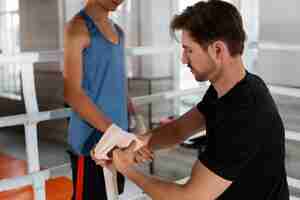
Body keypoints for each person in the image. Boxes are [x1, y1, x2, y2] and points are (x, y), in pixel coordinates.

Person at [108, 1, 290, 199]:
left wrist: (127, 169)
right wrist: (137, 143)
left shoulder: (245, 113)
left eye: (189, 50)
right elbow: (178, 129)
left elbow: (190, 198)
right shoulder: (230, 89)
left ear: (218, 50)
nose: (183, 59)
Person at [63, 0, 134, 199]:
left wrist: (132, 120)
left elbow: (116, 82)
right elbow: (72, 93)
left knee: (112, 195)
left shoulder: (118, 31)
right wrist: (114, 131)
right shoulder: (77, 27)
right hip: (90, 143)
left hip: (118, 140)